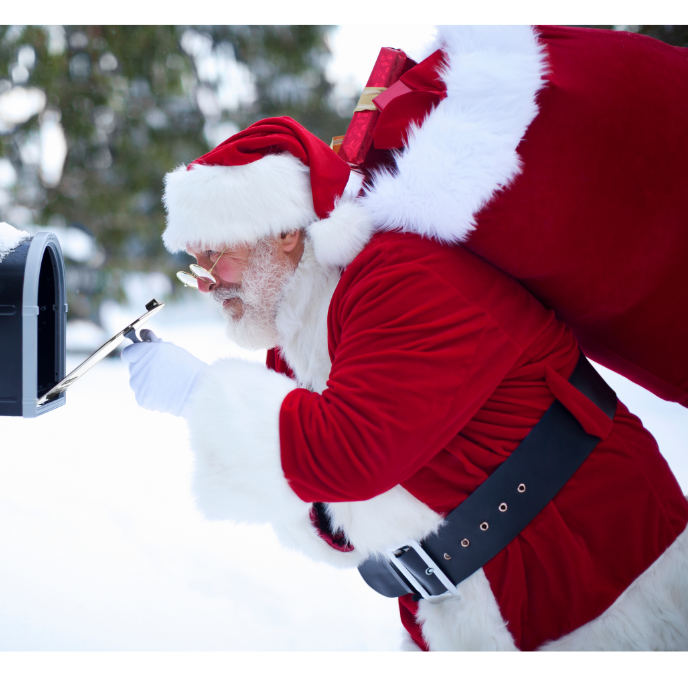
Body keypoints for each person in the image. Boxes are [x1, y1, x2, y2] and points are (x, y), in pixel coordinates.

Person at [122, 27, 688, 651]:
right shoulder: (299, 340)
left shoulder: (400, 278)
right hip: (465, 606)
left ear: (283, 233)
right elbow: (334, 519)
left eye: (215, 255)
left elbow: (352, 452)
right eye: (196, 262)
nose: (207, 281)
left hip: (593, 571)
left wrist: (200, 395)